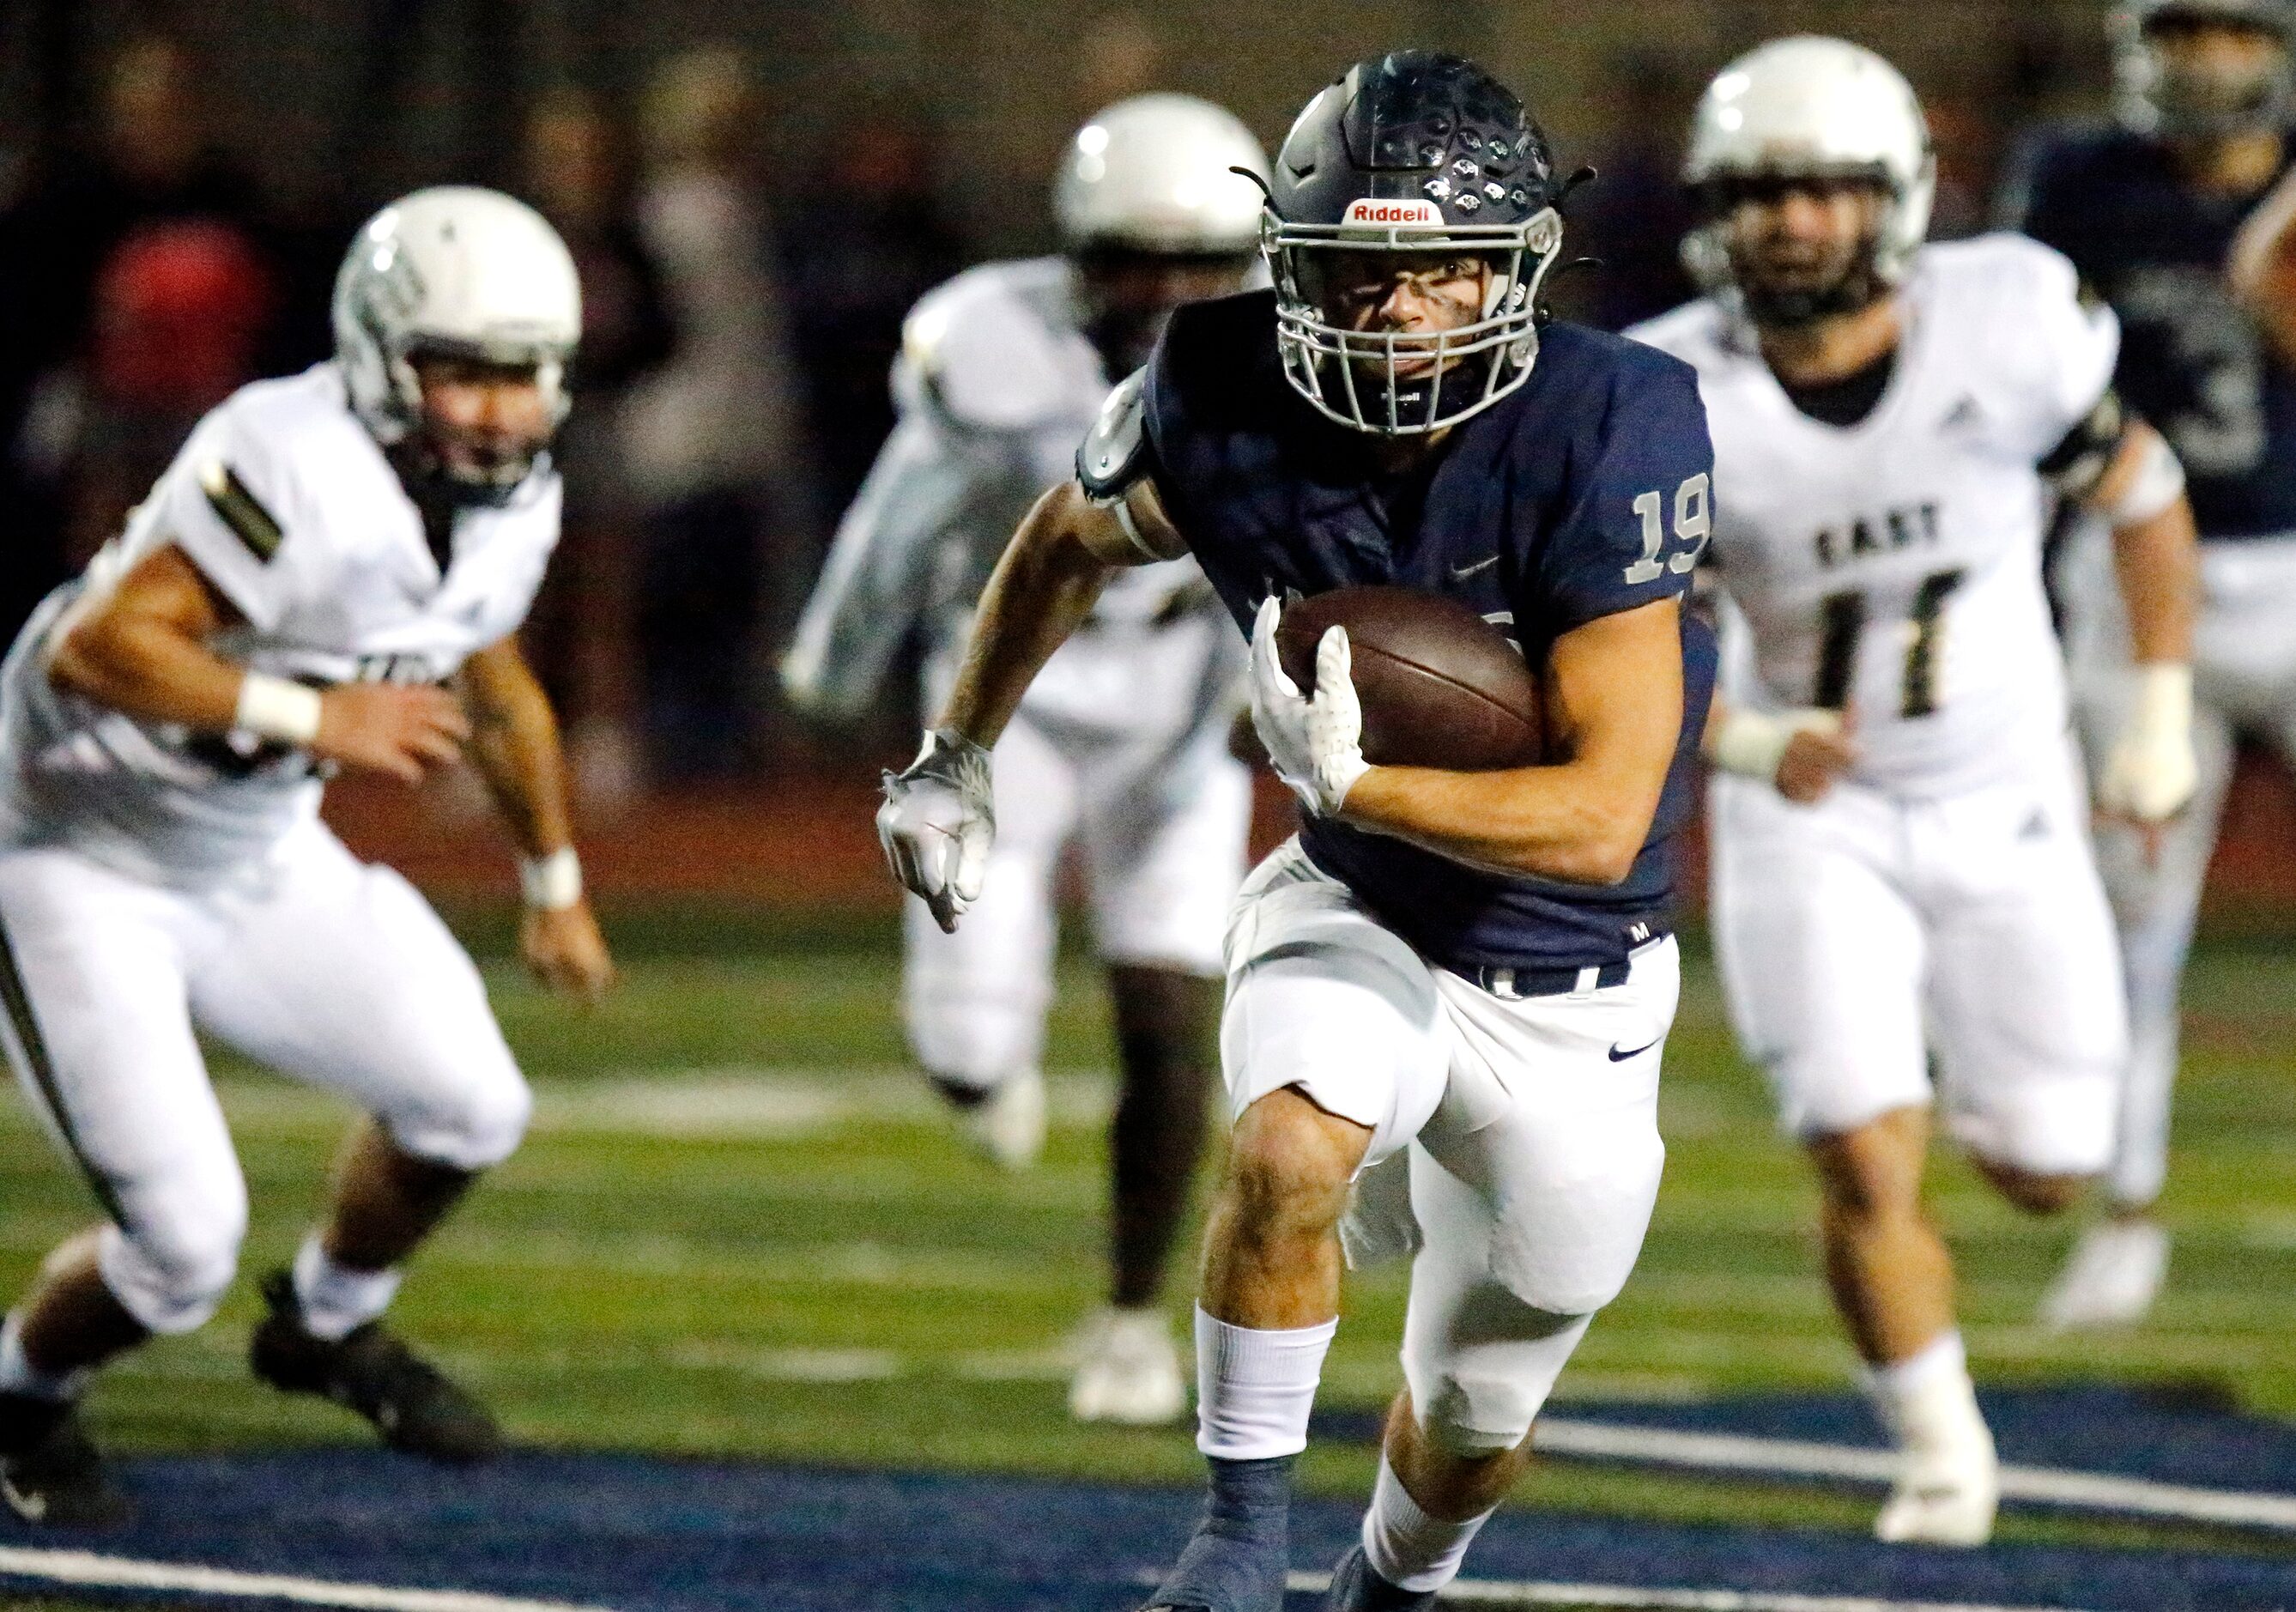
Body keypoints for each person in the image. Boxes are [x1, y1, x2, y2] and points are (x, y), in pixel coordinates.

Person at [881, 52, 1717, 1612]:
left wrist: (1367, 781)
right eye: (1359, 268)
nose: (1399, 307)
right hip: (1360, 906)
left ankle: (1389, 1586)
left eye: (1444, 269)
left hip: (1578, 970)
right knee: (1285, 1141)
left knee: (1478, 1411)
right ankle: (1238, 1541)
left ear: (1516, 268)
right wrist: (957, 752)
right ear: (1293, 264)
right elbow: (1065, 542)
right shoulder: (1212, 381)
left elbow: (1604, 818)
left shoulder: (1617, 420)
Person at [1632, 37, 2200, 1545]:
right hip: (1809, 819)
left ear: (1897, 199)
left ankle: (1953, 1054)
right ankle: (1944, 1450)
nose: (1791, 222)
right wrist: (1738, 738)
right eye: (1760, 192)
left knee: (2044, 1168)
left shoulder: (2007, 320)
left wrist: (2156, 712)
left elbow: (2142, 496)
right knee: (1859, 1148)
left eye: (1824, 188)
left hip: (2006, 799)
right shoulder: (1665, 389)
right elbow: (1622, 638)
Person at [0, 187, 616, 1526]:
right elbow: (94, 646)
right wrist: (313, 713)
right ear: (383, 358)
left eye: (524, 375)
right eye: (465, 372)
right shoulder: (290, 456)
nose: (503, 409)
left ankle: (324, 1327)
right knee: (176, 1250)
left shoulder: (507, 500)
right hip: (74, 852)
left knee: (469, 1103)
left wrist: (554, 883)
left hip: (251, 845)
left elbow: (494, 684)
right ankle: (20, 1399)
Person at [784, 94, 1268, 1427]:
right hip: (1019, 705)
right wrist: (835, 660)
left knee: (1172, 1015)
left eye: (1200, 262)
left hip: (1177, 697)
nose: (1168, 290)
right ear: (1074, 249)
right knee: (965, 1042)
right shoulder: (991, 347)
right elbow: (903, 513)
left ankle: (1126, 1319)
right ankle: (983, 1064)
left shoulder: (1294, 347)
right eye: (1134, 258)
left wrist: (1262, 692)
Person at [1998, 0, 2296, 1329]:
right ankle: (2126, 1208)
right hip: (2131, 585)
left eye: (2229, 31)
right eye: (2179, 29)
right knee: (2130, 918)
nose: (2204, 61)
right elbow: (2009, 371)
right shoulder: (2078, 178)